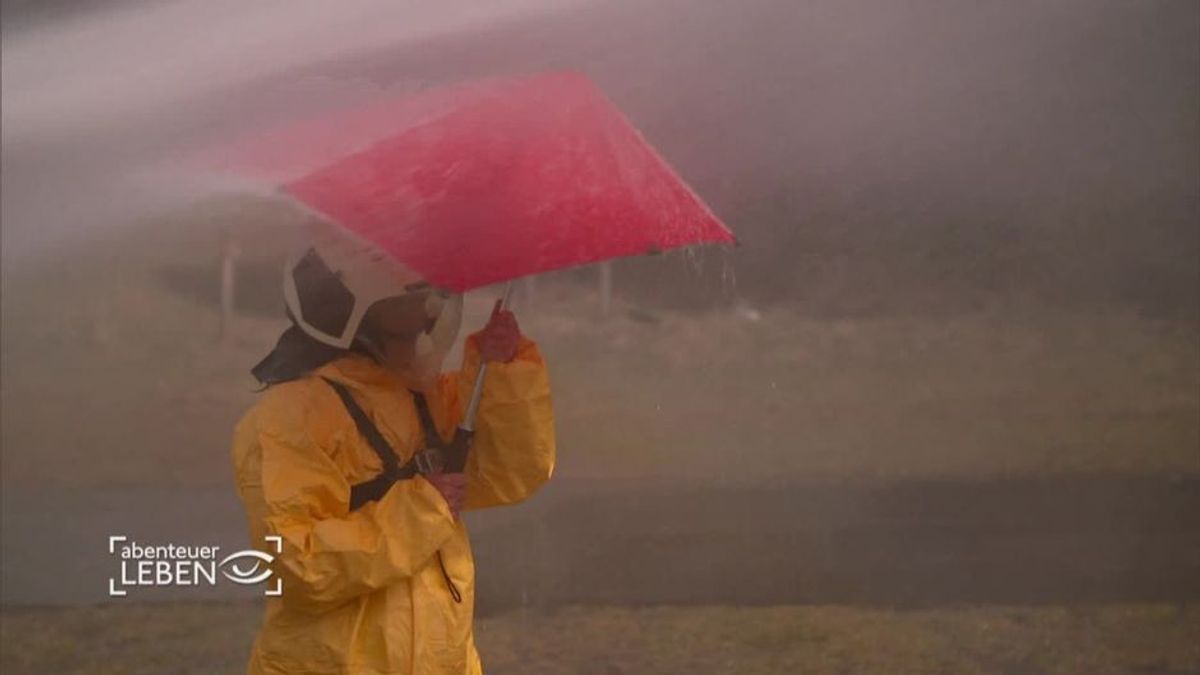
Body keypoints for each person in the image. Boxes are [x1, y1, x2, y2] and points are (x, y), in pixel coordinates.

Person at [231, 230, 555, 674]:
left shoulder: (421, 394)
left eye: (429, 306)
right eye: (411, 309)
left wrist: (501, 370)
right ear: (356, 317)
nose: (426, 322)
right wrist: (422, 509)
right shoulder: (288, 418)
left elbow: (509, 473)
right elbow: (297, 564)